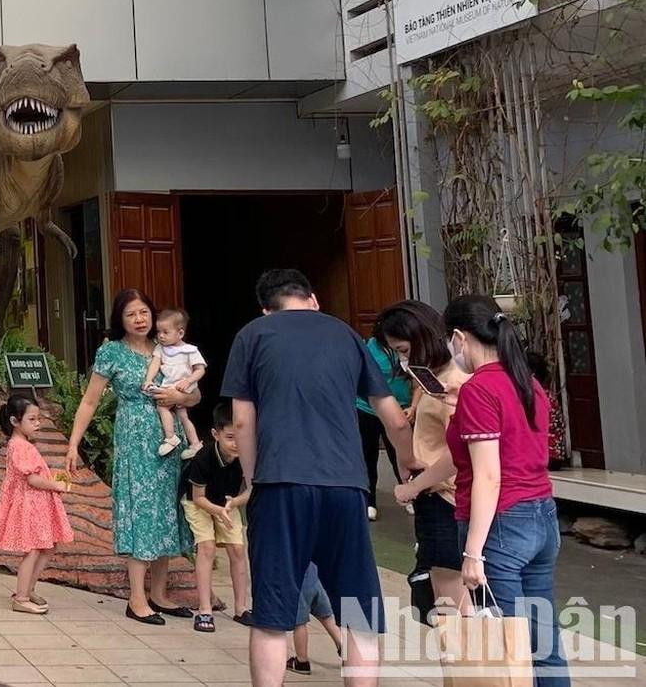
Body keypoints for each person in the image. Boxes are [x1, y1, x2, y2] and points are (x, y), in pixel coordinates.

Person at [222, 269, 415, 687]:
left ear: (266, 307)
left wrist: (254, 479)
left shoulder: (253, 335)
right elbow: (395, 420)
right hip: (345, 485)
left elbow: (242, 420)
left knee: (273, 614)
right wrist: (408, 465)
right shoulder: (345, 335)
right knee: (359, 614)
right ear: (312, 299)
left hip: (280, 484)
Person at [441, 296, 567, 680]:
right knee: (542, 645)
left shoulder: (480, 389)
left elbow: (489, 475)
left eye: (449, 340)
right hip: (541, 516)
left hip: (501, 525)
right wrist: (416, 486)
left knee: (506, 650)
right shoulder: (525, 382)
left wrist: (473, 552)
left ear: (460, 338)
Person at [63, 289, 198, 625]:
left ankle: (160, 594)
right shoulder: (112, 352)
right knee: (142, 510)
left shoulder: (168, 348)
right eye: (131, 314)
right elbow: (90, 401)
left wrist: (177, 394)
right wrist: (72, 444)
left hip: (171, 439)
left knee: (167, 509)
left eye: (143, 313)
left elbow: (195, 396)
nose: (139, 320)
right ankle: (136, 598)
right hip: (135, 439)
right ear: (119, 319)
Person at [380, 300, 471, 619]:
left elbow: (460, 452)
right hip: (436, 496)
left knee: (452, 605)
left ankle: (469, 666)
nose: (404, 359)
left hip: (446, 498)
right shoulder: (433, 380)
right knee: (439, 599)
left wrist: (414, 486)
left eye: (404, 350)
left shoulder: (454, 384)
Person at [0, 393, 74, 615]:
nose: (37, 424)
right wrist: (55, 485)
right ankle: (21, 597)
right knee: (34, 548)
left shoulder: (23, 444)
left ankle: (29, 588)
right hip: (30, 504)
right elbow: (32, 479)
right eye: (32, 419)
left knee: (47, 545)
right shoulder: (19, 446)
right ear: (15, 421)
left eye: (38, 419)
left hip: (37, 503)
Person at [182, 401, 251, 631]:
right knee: (207, 547)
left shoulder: (248, 455)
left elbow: (252, 489)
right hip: (199, 503)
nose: (236, 444)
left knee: (238, 549)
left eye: (241, 436)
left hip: (227, 503)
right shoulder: (204, 457)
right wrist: (219, 510)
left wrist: (234, 503)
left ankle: (241, 608)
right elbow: (198, 497)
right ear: (216, 434)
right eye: (230, 437)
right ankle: (204, 610)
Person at [355, 330, 412, 520]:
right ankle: (369, 501)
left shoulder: (409, 348)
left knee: (400, 453)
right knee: (367, 455)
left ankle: (409, 495)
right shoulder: (368, 347)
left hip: (401, 408)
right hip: (367, 409)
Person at [144, 308, 208, 458]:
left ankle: (171, 438)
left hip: (182, 386)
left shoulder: (190, 350)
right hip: (171, 384)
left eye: (165, 332)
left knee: (162, 407)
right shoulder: (161, 349)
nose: (161, 336)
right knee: (183, 416)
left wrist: (189, 380)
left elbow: (200, 370)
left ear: (180, 333)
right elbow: (155, 364)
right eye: (158, 332)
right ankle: (195, 444)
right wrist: (149, 379)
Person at [286, 565, 343, 676]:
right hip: (315, 579)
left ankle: (302, 661)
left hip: (299, 581)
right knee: (326, 616)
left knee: (299, 623)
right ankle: (344, 647)